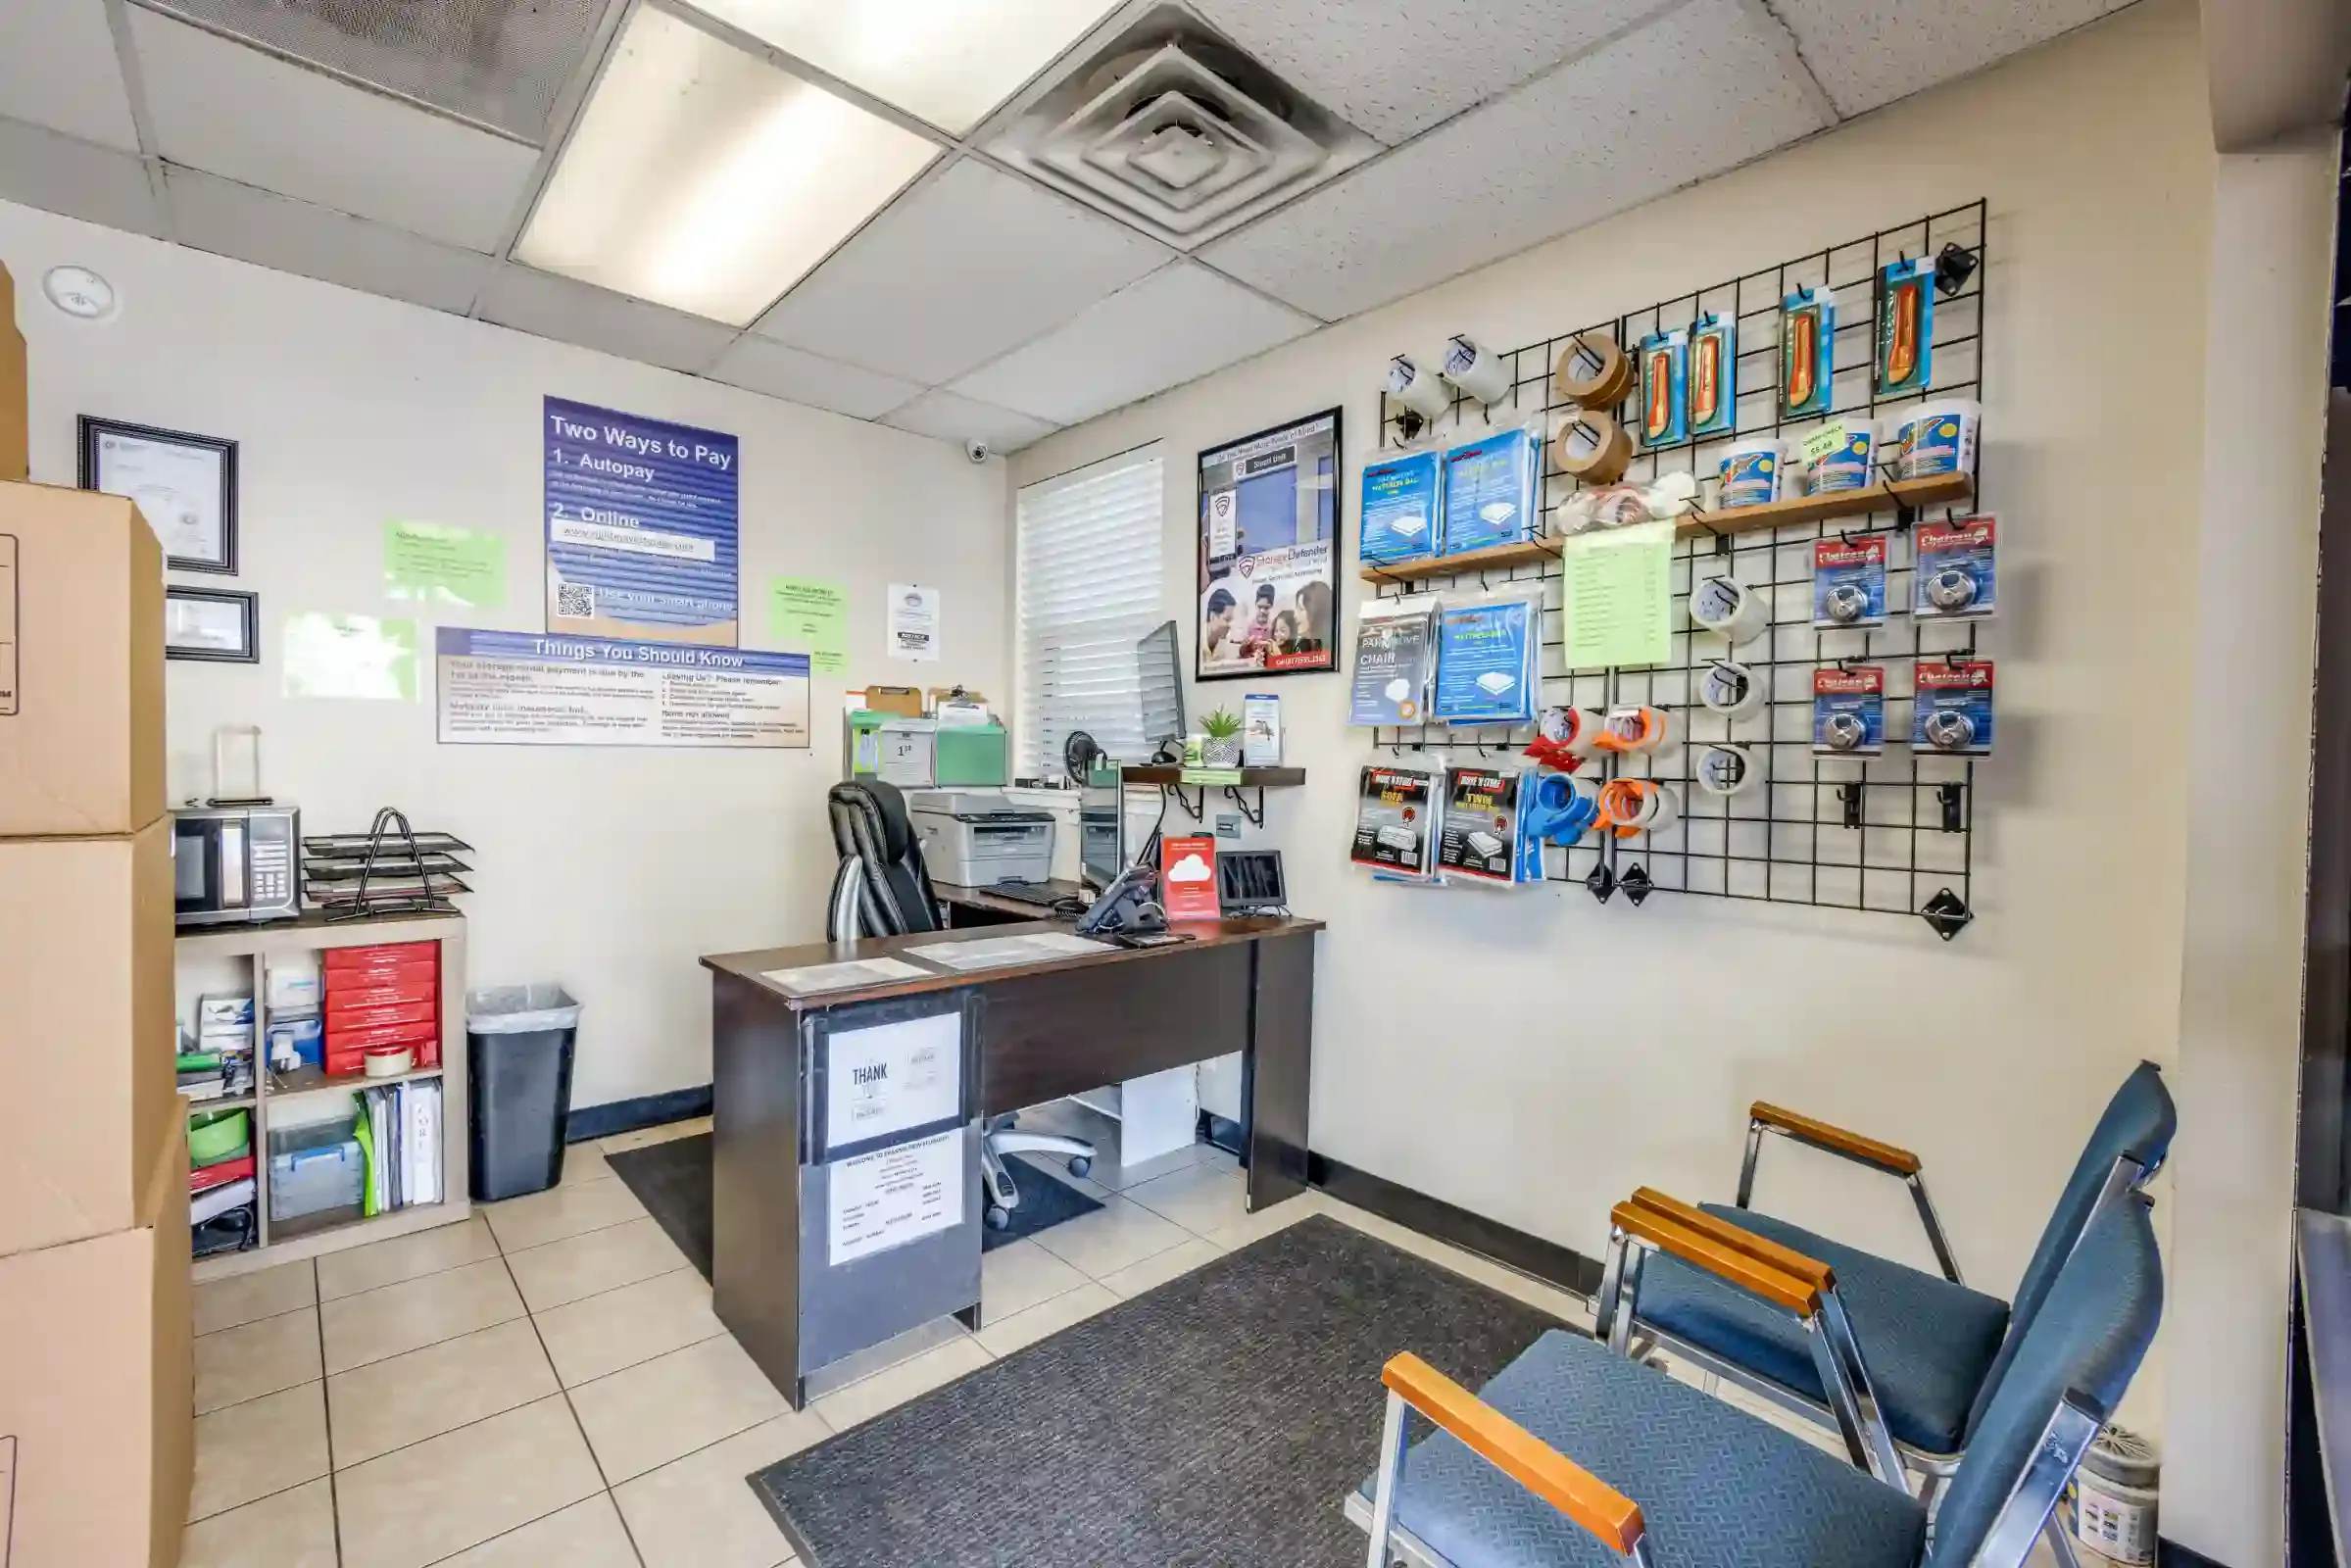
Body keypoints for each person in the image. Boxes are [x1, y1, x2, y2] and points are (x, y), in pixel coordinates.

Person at [1202, 587, 1241, 665]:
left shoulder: (1224, 642)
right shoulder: (1195, 640)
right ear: (1213, 616)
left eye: (1231, 620)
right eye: (1227, 619)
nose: (1230, 625)